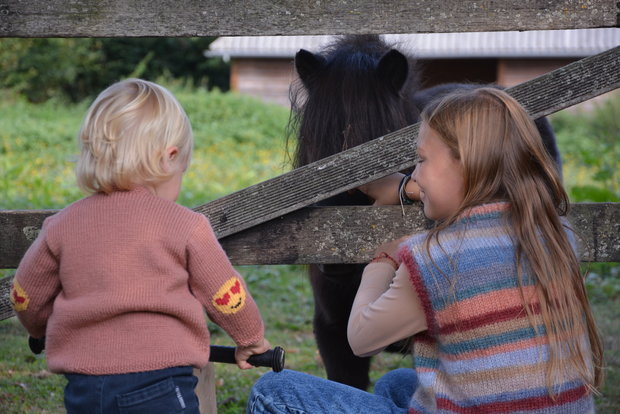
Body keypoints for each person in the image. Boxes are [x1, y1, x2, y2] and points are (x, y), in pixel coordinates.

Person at [248, 87, 603, 413]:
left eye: (421, 161)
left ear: (464, 162)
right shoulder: (555, 232)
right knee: (398, 383)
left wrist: (383, 259)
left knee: (273, 389)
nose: (414, 175)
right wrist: (409, 191)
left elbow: (360, 339)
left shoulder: (435, 260)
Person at [10, 78, 270, 414]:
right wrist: (251, 340)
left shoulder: (61, 225)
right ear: (169, 158)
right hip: (160, 383)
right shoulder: (185, 225)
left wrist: (41, 327)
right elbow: (226, 294)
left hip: (85, 388)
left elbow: (24, 294)